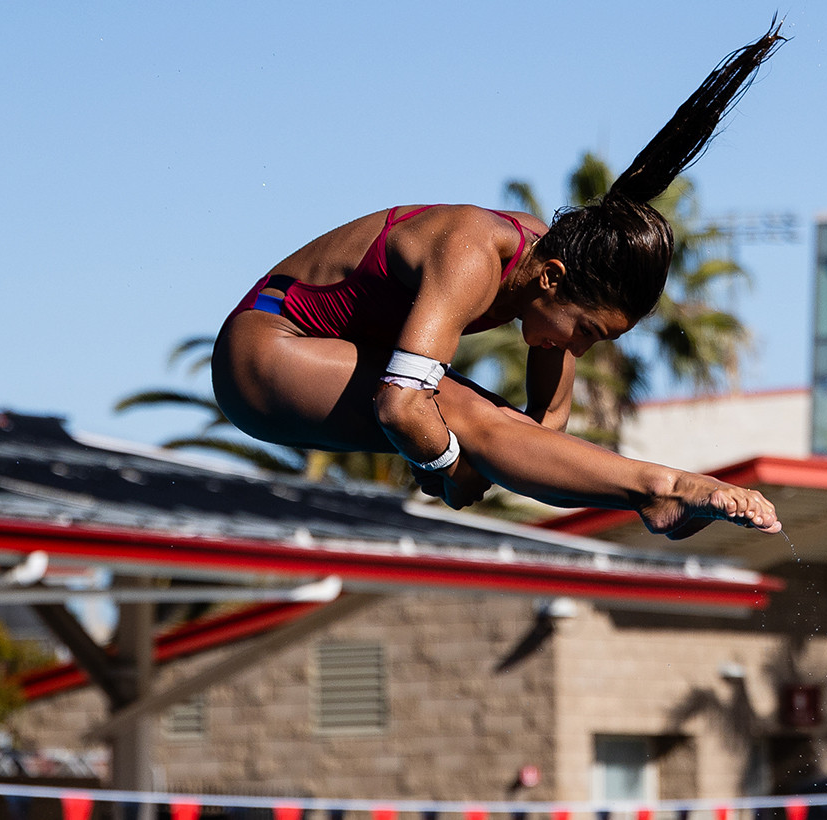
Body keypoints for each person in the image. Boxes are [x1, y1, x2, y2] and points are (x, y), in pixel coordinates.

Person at [212, 22, 786, 539]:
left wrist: (482, 460)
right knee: (456, 411)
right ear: (552, 278)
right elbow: (401, 408)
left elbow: (544, 434)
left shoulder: (547, 272)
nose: (579, 350)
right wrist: (449, 466)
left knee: (486, 422)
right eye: (585, 330)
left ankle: (657, 496)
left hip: (344, 354)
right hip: (265, 351)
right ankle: (664, 489)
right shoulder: (472, 252)